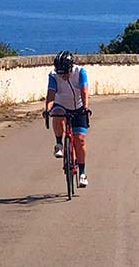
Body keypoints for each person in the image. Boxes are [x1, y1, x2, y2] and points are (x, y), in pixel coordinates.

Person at [43, 50, 91, 187]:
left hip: (78, 106)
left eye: (65, 72)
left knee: (80, 140)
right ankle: (59, 143)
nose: (63, 76)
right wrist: (47, 109)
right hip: (61, 104)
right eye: (60, 73)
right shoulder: (53, 75)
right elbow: (51, 95)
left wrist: (86, 107)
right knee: (56, 113)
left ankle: (82, 173)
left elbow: (84, 91)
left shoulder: (80, 72)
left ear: (71, 68)